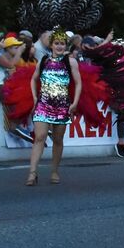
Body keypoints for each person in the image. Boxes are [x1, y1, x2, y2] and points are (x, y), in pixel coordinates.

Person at [26, 29, 82, 185]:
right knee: (39, 137)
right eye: (56, 43)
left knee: (58, 139)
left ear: (66, 45)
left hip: (62, 106)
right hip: (43, 104)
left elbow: (78, 83)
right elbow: (33, 80)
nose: (59, 46)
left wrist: (75, 102)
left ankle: (55, 171)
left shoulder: (70, 62)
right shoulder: (43, 60)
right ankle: (32, 173)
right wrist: (35, 97)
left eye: (62, 43)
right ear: (51, 45)